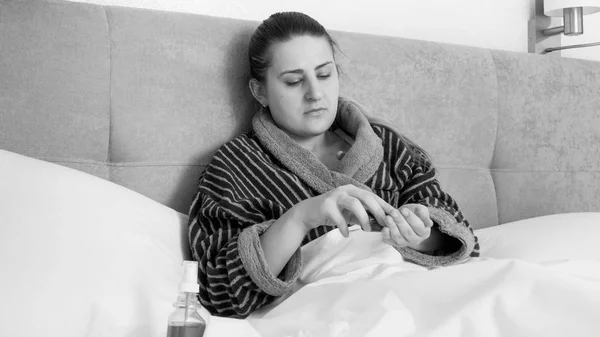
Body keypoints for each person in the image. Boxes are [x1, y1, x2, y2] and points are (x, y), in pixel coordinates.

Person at [187, 11, 480, 319]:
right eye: (294, 81)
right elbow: (216, 289)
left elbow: (462, 236)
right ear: (259, 91)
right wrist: (301, 218)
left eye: (324, 75)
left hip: (420, 296)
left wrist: (419, 235)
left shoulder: (386, 144)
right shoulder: (235, 166)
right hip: (330, 312)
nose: (315, 94)